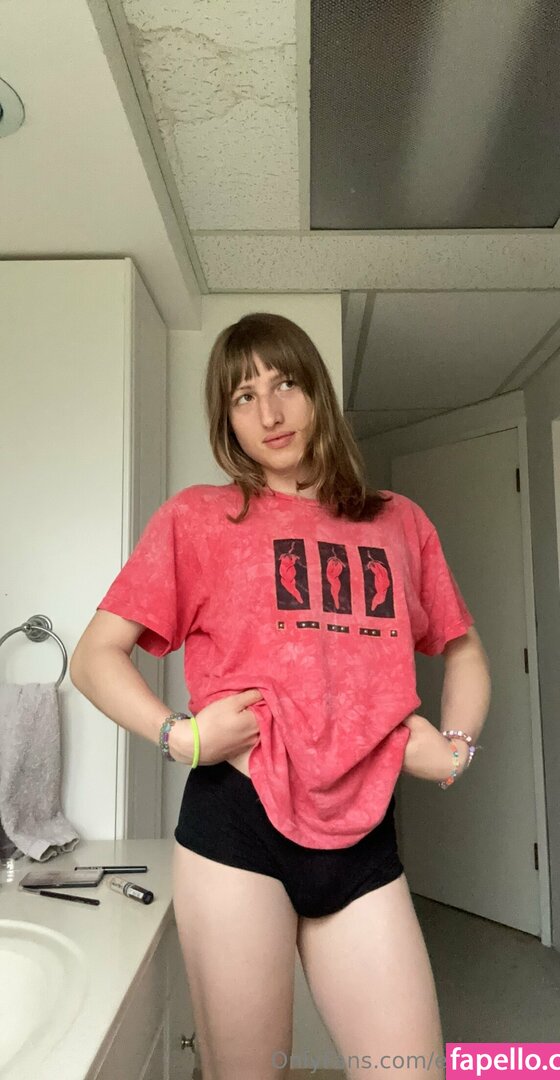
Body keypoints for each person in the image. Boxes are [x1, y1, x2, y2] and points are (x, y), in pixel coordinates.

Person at [70, 312, 491, 1080]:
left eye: (285, 383)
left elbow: (464, 649)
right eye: (243, 396)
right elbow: (95, 657)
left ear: (316, 390)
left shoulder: (398, 521)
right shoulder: (198, 519)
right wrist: (181, 736)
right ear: (227, 419)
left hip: (363, 833)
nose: (269, 412)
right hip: (238, 826)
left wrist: (455, 749)